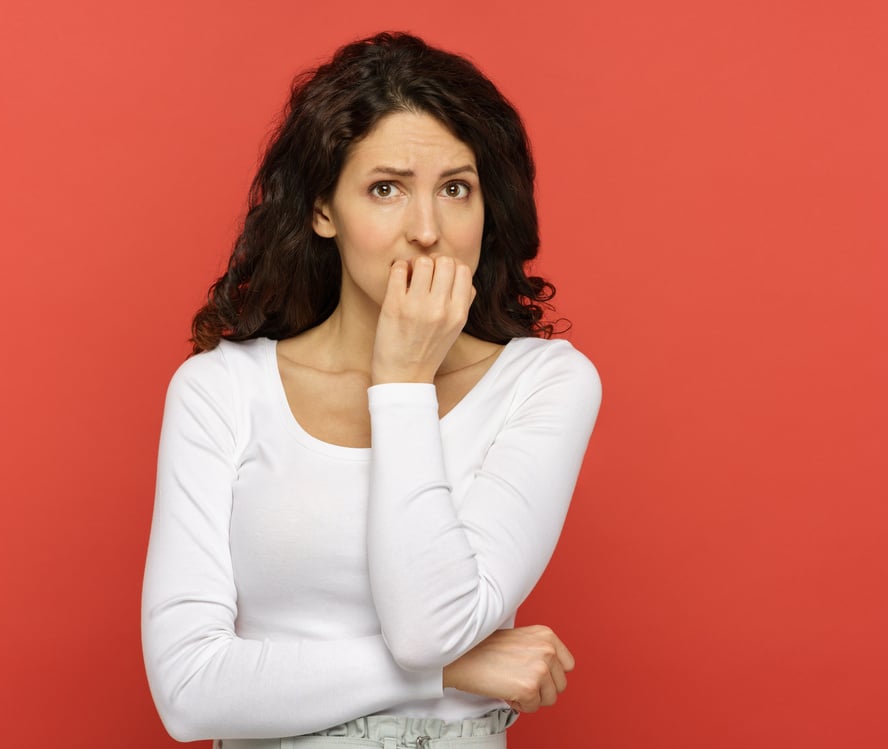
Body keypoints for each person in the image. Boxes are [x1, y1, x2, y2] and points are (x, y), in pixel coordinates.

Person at [141, 32, 601, 748]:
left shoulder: (543, 383)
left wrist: (402, 381)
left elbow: (430, 627)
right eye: (386, 189)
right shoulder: (220, 390)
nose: (427, 231)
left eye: (456, 188)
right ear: (324, 210)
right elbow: (189, 690)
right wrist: (451, 674)